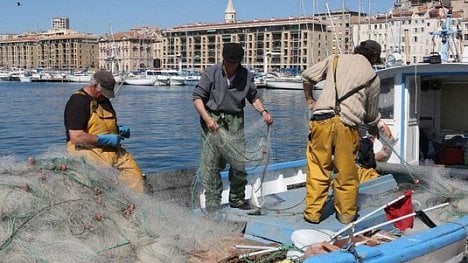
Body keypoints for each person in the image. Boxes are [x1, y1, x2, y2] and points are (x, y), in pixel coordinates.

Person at [301, 40, 389, 224]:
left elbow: (307, 76)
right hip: (348, 125)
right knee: (346, 172)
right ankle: (346, 216)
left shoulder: (335, 59)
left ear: (358, 50)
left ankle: (312, 214)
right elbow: (371, 115)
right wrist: (375, 128)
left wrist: (310, 99)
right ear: (373, 58)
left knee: (318, 168)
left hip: (321, 120)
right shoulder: (373, 77)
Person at [193, 42, 273, 212]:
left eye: (234, 63)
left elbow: (253, 96)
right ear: (223, 60)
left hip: (235, 120)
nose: (231, 66)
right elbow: (197, 98)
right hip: (212, 119)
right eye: (228, 62)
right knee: (211, 162)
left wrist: (263, 112)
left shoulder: (246, 75)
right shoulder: (211, 72)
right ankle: (213, 201)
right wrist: (207, 119)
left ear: (239, 62)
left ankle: (237, 199)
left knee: (238, 162)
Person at [64, 70, 145, 193]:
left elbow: (103, 125)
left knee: (135, 175)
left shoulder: (103, 100)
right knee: (107, 178)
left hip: (111, 149)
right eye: (104, 93)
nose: (106, 96)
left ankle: (135, 205)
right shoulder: (78, 102)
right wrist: (103, 139)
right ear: (95, 86)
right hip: (86, 150)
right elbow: (76, 137)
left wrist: (118, 130)